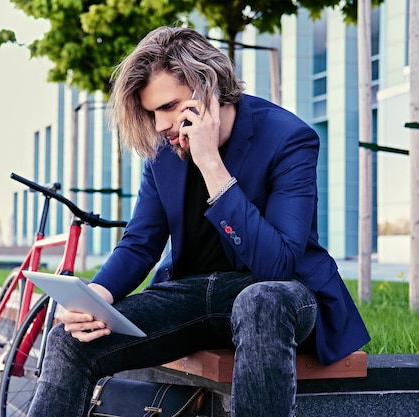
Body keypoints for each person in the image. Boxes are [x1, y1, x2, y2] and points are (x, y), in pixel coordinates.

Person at [27, 26, 370, 417]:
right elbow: (141, 242)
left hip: (280, 296)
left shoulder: (289, 138)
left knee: (259, 301)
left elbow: (278, 265)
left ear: (207, 87)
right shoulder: (162, 150)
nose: (160, 126)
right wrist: (99, 296)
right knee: (69, 340)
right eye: (153, 112)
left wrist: (211, 163)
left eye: (169, 107)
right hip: (193, 295)